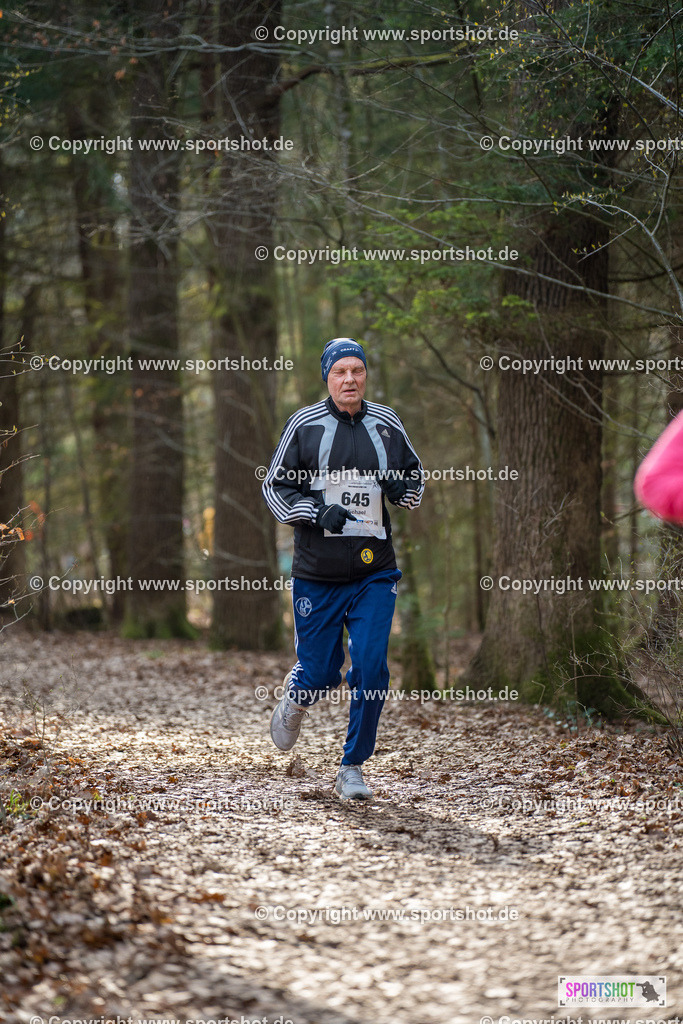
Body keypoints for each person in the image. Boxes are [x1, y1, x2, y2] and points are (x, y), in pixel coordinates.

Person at [262, 337, 425, 801]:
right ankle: (297, 697)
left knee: (371, 667)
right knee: (322, 673)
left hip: (375, 572)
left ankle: (352, 766)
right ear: (327, 378)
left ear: (365, 375)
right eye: (340, 372)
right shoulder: (304, 425)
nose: (349, 379)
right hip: (318, 573)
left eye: (357, 370)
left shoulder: (387, 423)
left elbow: (414, 478)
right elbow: (274, 489)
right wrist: (316, 512)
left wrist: (401, 490)